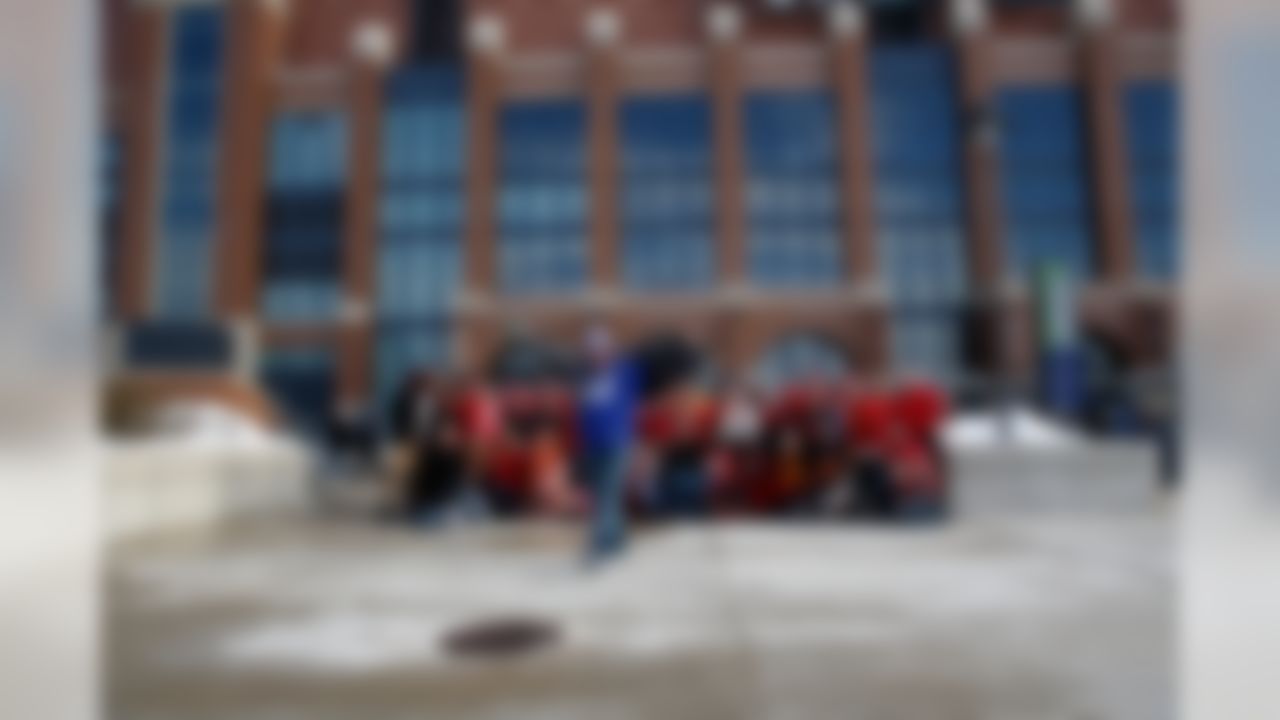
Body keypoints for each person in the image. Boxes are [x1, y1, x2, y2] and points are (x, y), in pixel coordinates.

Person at [576, 326, 640, 565]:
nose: (594, 355)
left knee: (606, 495)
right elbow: (582, 415)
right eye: (590, 351)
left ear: (609, 351)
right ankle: (617, 542)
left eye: (599, 350)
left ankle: (600, 544)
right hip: (592, 446)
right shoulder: (587, 379)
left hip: (616, 443)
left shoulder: (624, 372)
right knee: (605, 495)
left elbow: (637, 370)